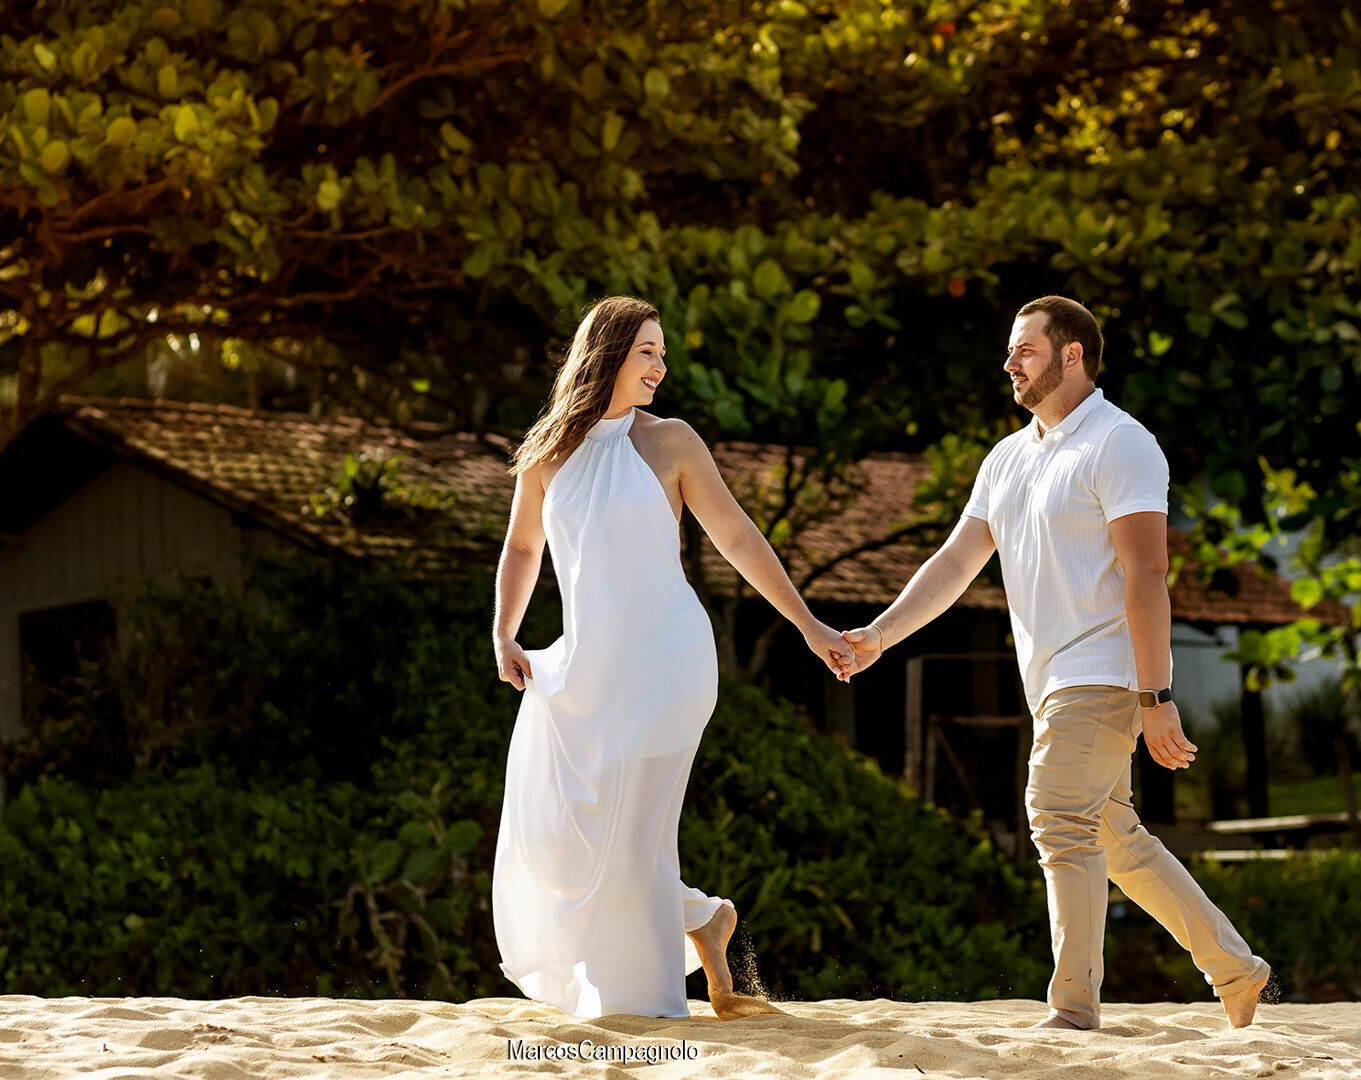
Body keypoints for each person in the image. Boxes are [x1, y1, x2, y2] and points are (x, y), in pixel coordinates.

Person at [837, 295, 1271, 1031]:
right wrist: (880, 634)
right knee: (1116, 838)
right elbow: (955, 561)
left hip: (1100, 673)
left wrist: (1154, 693)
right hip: (1049, 683)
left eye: (1024, 350)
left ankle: (1072, 1008)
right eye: (1010, 352)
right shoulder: (1007, 457)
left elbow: (1146, 574)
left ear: (1072, 355)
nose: (1009, 363)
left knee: (1056, 818)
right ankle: (1235, 967)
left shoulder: (1119, 443)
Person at [490, 295, 856, 1020]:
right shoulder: (546, 451)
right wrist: (504, 631)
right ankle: (705, 918)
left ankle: (639, 1008)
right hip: (585, 668)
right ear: (608, 355)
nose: (661, 365)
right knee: (566, 838)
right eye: (647, 352)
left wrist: (808, 625)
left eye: (661, 353)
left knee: (632, 836)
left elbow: (740, 539)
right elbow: (524, 547)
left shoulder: (673, 442)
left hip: (667, 662)